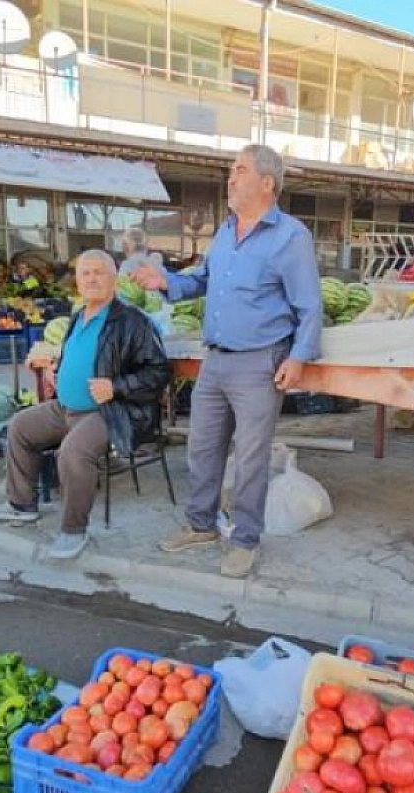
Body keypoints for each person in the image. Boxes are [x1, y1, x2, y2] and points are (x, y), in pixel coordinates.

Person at [131, 143, 322, 579]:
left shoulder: (291, 236)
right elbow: (201, 279)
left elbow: (310, 305)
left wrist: (299, 357)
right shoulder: (225, 230)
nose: (230, 178)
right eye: (230, 170)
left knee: (251, 457)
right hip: (214, 359)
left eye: (239, 170)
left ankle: (245, 540)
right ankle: (201, 525)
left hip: (259, 362)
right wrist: (166, 281)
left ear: (267, 182)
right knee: (202, 448)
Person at [0, 250, 170, 559]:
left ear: (114, 279)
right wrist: (60, 371)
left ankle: (73, 530)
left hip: (109, 412)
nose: (92, 278)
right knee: (20, 426)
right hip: (65, 408)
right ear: (78, 282)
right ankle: (21, 505)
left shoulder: (132, 321)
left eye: (99, 272)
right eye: (86, 273)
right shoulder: (77, 317)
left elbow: (159, 371)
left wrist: (116, 387)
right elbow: (79, 356)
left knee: (74, 451)